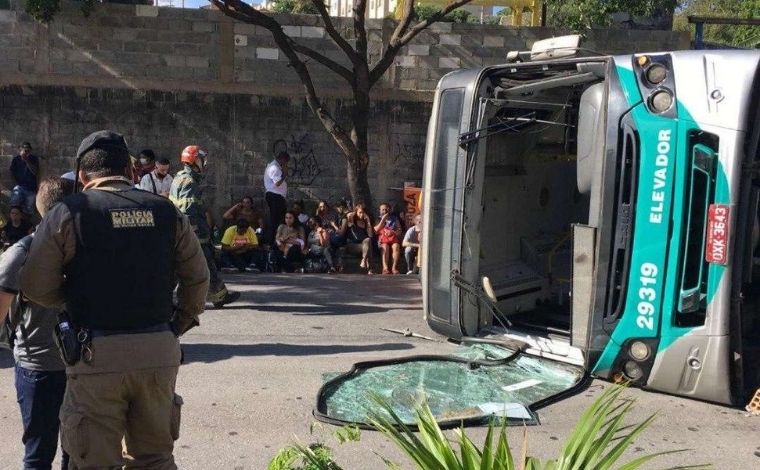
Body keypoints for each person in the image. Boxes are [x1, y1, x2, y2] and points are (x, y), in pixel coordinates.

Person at [19, 130, 210, 469]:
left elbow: (34, 284)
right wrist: (174, 326)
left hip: (95, 352)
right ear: (132, 170)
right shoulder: (167, 212)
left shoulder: (67, 213)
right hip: (158, 348)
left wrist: (72, 299)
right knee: (155, 459)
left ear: (81, 176)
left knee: (94, 461)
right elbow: (198, 279)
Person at [0, 177, 74, 470]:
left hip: (41, 365)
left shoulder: (24, 249)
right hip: (64, 366)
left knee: (43, 453)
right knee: (71, 451)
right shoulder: (90, 249)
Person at [170, 145, 240, 308]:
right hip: (193, 233)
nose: (204, 163)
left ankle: (218, 295)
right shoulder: (189, 182)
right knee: (204, 263)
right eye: (201, 160)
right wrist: (194, 235)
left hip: (182, 231)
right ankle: (218, 296)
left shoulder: (179, 177)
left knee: (180, 267)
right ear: (194, 161)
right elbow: (188, 211)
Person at [264, 151, 289, 244]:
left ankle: (277, 240)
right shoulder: (274, 167)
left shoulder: (277, 167)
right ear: (283, 159)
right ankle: (272, 242)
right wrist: (284, 174)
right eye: (286, 162)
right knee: (275, 220)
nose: (286, 164)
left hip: (278, 196)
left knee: (279, 219)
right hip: (275, 196)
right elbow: (277, 183)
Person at [10, 142, 40, 214]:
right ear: (21, 149)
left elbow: (35, 172)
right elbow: (11, 172)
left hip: (31, 188)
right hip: (19, 187)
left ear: (30, 150)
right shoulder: (16, 159)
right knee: (14, 203)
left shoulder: (34, 159)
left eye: (28, 150)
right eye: (24, 150)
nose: (26, 152)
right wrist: (16, 183)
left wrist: (26, 160)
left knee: (29, 209)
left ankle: (27, 224)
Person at [374, 202, 403, 275]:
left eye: (386, 209)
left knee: (396, 246)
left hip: (393, 238)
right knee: (385, 247)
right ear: (380, 211)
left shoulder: (394, 218)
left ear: (389, 209)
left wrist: (393, 232)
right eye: (382, 209)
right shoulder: (378, 219)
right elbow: (376, 230)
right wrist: (383, 220)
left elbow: (399, 230)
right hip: (382, 240)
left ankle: (394, 268)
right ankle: (385, 268)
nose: (384, 211)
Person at [345, 203, 373, 274]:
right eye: (360, 212)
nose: (362, 214)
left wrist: (368, 221)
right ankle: (370, 268)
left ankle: (364, 260)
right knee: (368, 246)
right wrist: (355, 212)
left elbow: (370, 235)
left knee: (368, 240)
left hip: (363, 245)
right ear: (356, 212)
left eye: (363, 212)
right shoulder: (352, 220)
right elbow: (349, 215)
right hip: (352, 245)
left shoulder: (365, 222)